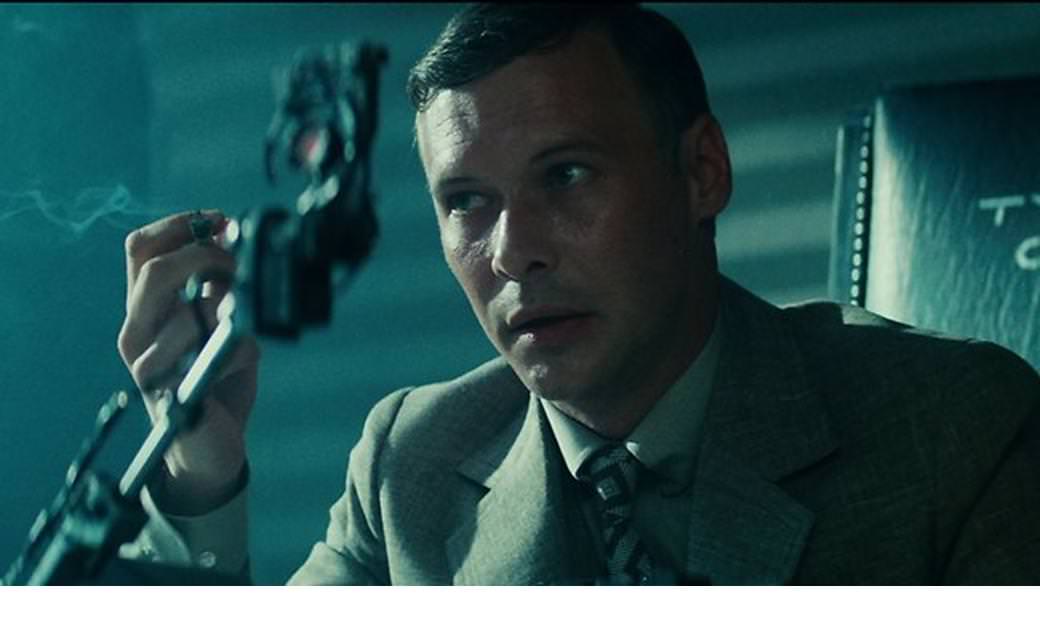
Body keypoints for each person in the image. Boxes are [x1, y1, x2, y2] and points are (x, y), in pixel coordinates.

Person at [118, 4, 1040, 584]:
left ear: (702, 171)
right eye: (467, 202)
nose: (513, 252)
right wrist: (199, 471)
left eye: (565, 175)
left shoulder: (953, 432)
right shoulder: (411, 467)